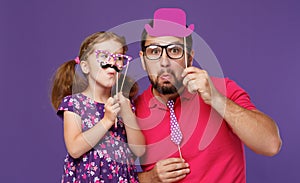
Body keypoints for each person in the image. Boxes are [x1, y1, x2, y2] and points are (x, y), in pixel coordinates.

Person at [135, 8, 282, 182]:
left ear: (189, 58)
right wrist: (148, 178)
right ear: (143, 60)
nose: (164, 62)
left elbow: (271, 144)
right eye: (154, 51)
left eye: (174, 51)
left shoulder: (222, 89)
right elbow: (108, 173)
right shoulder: (131, 110)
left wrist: (216, 99)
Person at [51, 31, 145, 182]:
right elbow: (74, 149)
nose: (113, 62)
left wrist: (127, 113)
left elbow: (139, 150)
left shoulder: (124, 104)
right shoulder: (74, 104)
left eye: (118, 58)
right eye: (104, 56)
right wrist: (107, 120)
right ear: (85, 67)